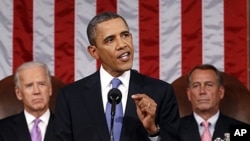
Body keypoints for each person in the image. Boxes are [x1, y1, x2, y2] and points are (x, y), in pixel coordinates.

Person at [53, 11, 180, 141]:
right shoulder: (71, 96)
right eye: (110, 40)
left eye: (125, 35)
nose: (122, 44)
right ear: (94, 52)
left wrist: (152, 131)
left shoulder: (161, 92)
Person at [179, 64, 249, 141]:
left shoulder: (241, 130)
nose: (202, 91)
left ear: (220, 92)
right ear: (189, 94)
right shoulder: (172, 130)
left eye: (209, 85)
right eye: (196, 86)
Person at [0, 61, 54, 141]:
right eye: (29, 86)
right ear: (18, 93)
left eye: (41, 84)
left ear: (50, 89)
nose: (36, 91)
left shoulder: (69, 128)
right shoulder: (2, 129)